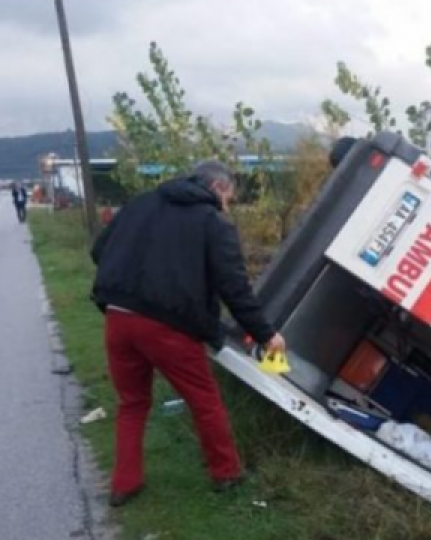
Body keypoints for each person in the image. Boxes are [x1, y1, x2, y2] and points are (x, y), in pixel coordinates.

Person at [89, 160, 286, 507]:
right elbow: (235, 288)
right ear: (217, 188)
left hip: (118, 317)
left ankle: (124, 484)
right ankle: (227, 474)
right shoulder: (212, 222)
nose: (227, 206)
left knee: (132, 403)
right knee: (204, 401)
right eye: (228, 198)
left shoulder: (141, 203)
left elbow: (98, 251)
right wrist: (267, 335)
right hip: (168, 326)